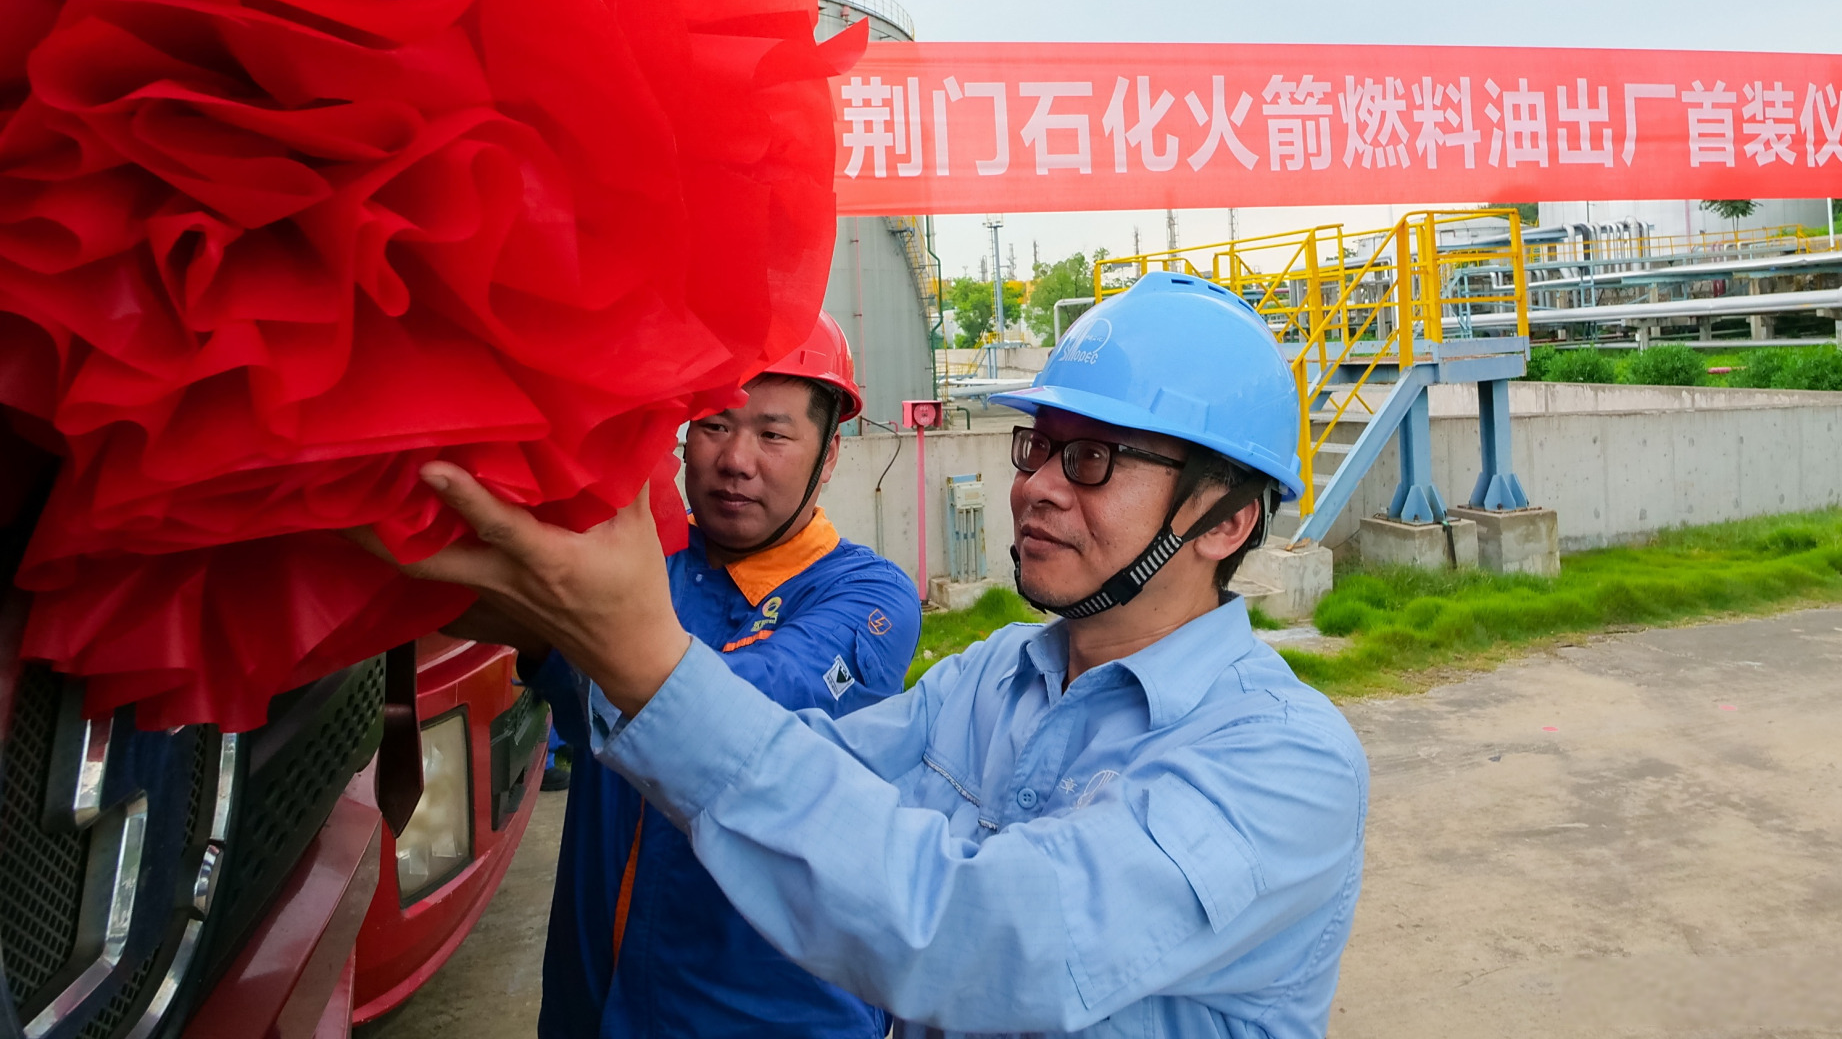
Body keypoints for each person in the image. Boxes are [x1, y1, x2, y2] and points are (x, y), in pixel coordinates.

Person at [386, 274, 1369, 1038]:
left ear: (1226, 518)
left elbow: (984, 935)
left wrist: (633, 649)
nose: (1035, 488)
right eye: (1038, 446)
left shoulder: (1282, 760)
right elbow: (794, 769)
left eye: (1092, 459)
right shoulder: (992, 677)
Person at [454, 310, 922, 1037]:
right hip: (593, 1001)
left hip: (769, 1013)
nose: (736, 459)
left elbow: (734, 710)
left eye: (772, 433)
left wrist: (561, 617)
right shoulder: (645, 567)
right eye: (713, 424)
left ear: (828, 456)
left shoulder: (865, 597)